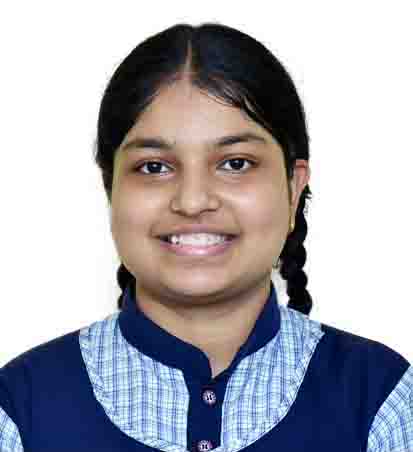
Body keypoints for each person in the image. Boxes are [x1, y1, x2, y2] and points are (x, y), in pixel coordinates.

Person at [0, 21, 412, 452]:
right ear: (111, 190)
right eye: (154, 167)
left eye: (235, 163)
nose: (193, 201)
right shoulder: (20, 411)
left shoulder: (380, 401)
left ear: (293, 188)